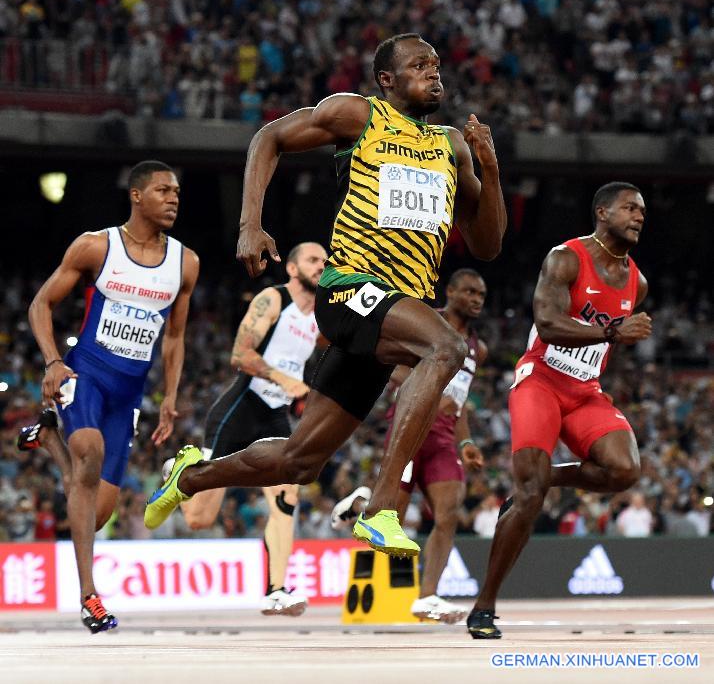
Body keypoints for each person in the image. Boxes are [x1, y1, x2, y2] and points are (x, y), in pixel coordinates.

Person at [146, 32, 506, 557]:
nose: (435, 72)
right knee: (448, 348)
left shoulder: (452, 145)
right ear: (387, 79)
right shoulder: (358, 116)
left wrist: (490, 172)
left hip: (393, 313)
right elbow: (268, 138)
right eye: (420, 65)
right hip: (352, 289)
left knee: (300, 460)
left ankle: (192, 475)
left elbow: (487, 244)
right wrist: (251, 224)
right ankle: (383, 508)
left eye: (436, 64)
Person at [19, 160, 199, 633]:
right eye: (163, 190)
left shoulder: (186, 262)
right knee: (90, 451)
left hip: (130, 392)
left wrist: (170, 396)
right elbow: (42, 303)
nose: (173, 198)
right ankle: (88, 596)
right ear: (136, 196)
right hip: (88, 375)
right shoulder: (97, 246)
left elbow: (175, 337)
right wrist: (54, 361)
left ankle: (49, 439)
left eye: (177, 191)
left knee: (96, 514)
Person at [467, 181, 651, 639]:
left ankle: (546, 475)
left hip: (585, 390)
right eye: (629, 208)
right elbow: (547, 324)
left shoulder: (638, 282)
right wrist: (612, 334)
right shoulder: (566, 258)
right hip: (541, 382)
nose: (639, 216)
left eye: (643, 211)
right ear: (602, 213)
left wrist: (612, 339)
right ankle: (484, 605)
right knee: (529, 499)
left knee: (625, 471)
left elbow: (611, 339)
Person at [171, 241, 327, 616]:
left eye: (325, 260)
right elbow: (239, 355)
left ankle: (277, 589)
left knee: (287, 495)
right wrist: (284, 379)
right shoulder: (272, 301)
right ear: (292, 268)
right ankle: (181, 471)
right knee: (199, 518)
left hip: (275, 415)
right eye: (313, 260)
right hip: (240, 408)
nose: (321, 266)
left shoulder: (321, 317)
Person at [332, 268, 488, 623]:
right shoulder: (427, 323)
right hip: (410, 429)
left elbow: (459, 401)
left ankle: (427, 597)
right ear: (450, 291)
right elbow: (393, 369)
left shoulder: (478, 347)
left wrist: (465, 441)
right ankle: (361, 504)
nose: (476, 300)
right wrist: (431, 393)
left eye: (480, 295)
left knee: (448, 513)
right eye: (469, 292)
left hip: (445, 439)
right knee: (393, 518)